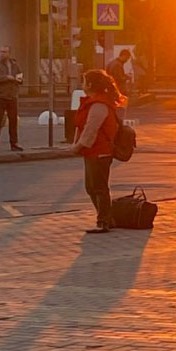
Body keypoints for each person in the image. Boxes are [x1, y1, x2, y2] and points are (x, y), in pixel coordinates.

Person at [72, 69, 125, 233]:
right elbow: (83, 127)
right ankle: (106, 218)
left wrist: (78, 146)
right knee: (91, 187)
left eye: (84, 81)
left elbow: (90, 129)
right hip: (93, 151)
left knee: (99, 187)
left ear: (90, 84)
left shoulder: (99, 105)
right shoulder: (94, 102)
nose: (82, 84)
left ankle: (104, 221)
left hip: (99, 152)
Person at [0, 46, 24, 152]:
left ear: (9, 53)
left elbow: (20, 78)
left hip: (12, 96)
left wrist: (19, 80)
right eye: (1, 52)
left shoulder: (15, 65)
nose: (2, 54)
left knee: (13, 121)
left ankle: (14, 143)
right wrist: (6, 78)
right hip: (1, 96)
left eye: (5, 52)